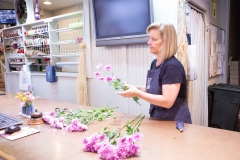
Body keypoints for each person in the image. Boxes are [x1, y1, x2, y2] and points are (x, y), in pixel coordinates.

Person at [117, 22, 192, 124]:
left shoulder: (172, 66)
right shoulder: (154, 63)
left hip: (174, 120)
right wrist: (134, 88)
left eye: (154, 39)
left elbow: (167, 101)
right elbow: (154, 87)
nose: (148, 42)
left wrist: (138, 93)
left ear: (166, 42)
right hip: (158, 117)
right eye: (149, 38)